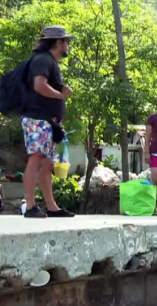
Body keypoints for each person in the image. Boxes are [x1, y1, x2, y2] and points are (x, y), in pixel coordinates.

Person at [21, 26, 75, 218]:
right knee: (36, 158)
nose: (68, 45)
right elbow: (39, 85)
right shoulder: (43, 59)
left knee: (46, 163)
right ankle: (29, 206)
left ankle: (52, 207)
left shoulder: (49, 61)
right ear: (58, 42)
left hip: (47, 122)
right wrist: (60, 94)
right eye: (66, 41)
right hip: (37, 119)